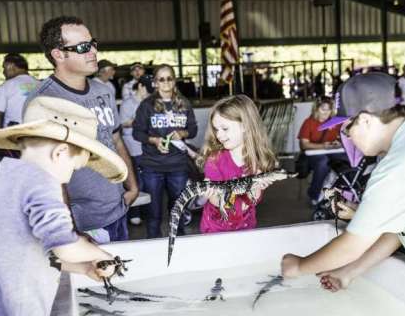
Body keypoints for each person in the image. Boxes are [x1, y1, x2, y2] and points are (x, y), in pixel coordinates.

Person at [281, 72, 405, 289]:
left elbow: (351, 246)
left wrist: (298, 266)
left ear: (365, 119)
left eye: (346, 129)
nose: (348, 138)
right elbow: (401, 228)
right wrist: (348, 272)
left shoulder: (399, 164)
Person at [0, 96, 128, 316]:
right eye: (74, 168)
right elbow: (63, 246)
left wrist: (83, 268)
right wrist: (100, 255)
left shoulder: (4, 175)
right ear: (60, 153)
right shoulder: (42, 181)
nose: (69, 178)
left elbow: (32, 253)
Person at [25, 16, 138, 241]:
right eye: (83, 47)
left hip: (118, 211)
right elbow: (47, 175)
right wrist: (69, 230)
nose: (93, 51)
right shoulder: (43, 102)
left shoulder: (102, 91)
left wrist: (132, 187)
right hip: (83, 225)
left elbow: (115, 141)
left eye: (93, 43)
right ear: (58, 54)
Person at [132, 64, 197, 238]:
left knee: (178, 212)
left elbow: (193, 129)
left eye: (169, 78)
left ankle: (179, 248)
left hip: (178, 166)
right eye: (161, 79)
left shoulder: (184, 103)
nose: (166, 82)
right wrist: (154, 140)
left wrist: (183, 133)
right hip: (152, 167)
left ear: (174, 81)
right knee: (154, 215)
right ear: (155, 83)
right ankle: (154, 249)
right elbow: (137, 132)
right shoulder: (147, 105)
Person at [198, 95, 279, 233]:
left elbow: (255, 199)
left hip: (246, 227)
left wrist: (255, 191)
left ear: (245, 126)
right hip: (215, 229)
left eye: (224, 128)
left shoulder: (257, 161)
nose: (219, 135)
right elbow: (214, 199)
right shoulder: (214, 160)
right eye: (216, 129)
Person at [120, 76, 153, 226]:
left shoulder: (150, 102)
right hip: (132, 146)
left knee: (148, 180)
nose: (149, 93)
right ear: (140, 86)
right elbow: (122, 125)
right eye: (147, 89)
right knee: (136, 180)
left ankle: (146, 211)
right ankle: (134, 212)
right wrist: (138, 120)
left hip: (147, 145)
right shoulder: (127, 104)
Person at [298, 97, 343, 205]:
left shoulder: (334, 122)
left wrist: (338, 142)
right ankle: (315, 194)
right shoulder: (309, 122)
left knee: (346, 161)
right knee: (323, 163)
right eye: (323, 109)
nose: (326, 113)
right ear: (316, 109)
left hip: (332, 153)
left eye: (329, 109)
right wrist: (323, 146)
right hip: (312, 155)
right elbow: (304, 145)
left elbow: (344, 136)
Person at [0, 53, 39, 128]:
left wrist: (1, 133)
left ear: (10, 65)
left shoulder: (6, 86)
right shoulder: (41, 85)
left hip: (13, 134)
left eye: (4, 68)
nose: (3, 72)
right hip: (37, 132)